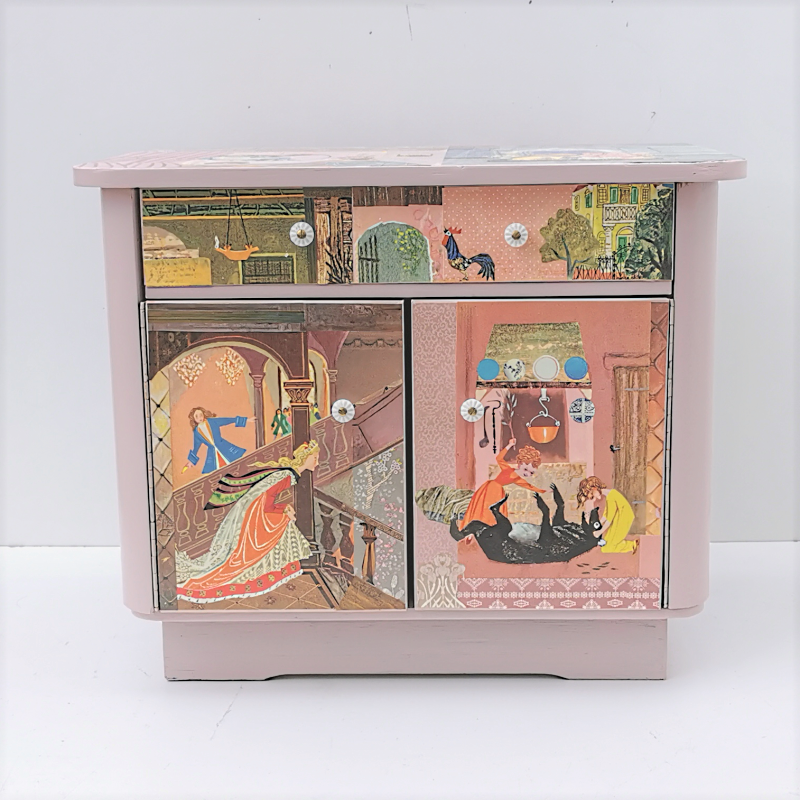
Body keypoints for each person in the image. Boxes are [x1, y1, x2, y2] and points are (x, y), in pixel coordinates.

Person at [176, 440, 320, 603]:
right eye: (315, 458)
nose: (317, 462)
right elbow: (266, 501)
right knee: (284, 522)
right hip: (255, 514)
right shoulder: (286, 476)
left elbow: (267, 499)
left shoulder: (288, 474)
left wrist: (284, 509)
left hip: (256, 510)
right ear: (305, 458)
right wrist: (283, 511)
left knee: (286, 518)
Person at [458, 438, 546, 531]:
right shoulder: (508, 469)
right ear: (520, 463)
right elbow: (499, 458)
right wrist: (509, 445)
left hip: (498, 491)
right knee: (484, 508)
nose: (527, 474)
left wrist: (543, 491)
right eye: (525, 469)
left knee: (495, 512)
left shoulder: (517, 478)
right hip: (491, 488)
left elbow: (528, 486)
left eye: (531, 472)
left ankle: (489, 529)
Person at [576, 476, 638, 554]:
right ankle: (631, 545)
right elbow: (606, 514)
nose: (595, 498)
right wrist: (598, 524)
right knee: (605, 548)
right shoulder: (609, 495)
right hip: (619, 517)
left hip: (624, 518)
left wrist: (600, 532)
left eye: (592, 495)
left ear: (594, 488)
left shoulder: (611, 496)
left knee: (609, 546)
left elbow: (609, 519)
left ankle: (631, 545)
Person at [184, 407, 250, 474]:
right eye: (196, 416)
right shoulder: (196, 432)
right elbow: (196, 447)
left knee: (238, 460)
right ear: (194, 419)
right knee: (214, 471)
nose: (199, 418)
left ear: (203, 414)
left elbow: (227, 420)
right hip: (212, 453)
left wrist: (246, 420)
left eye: (201, 415)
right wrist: (191, 462)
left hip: (224, 446)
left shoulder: (212, 421)